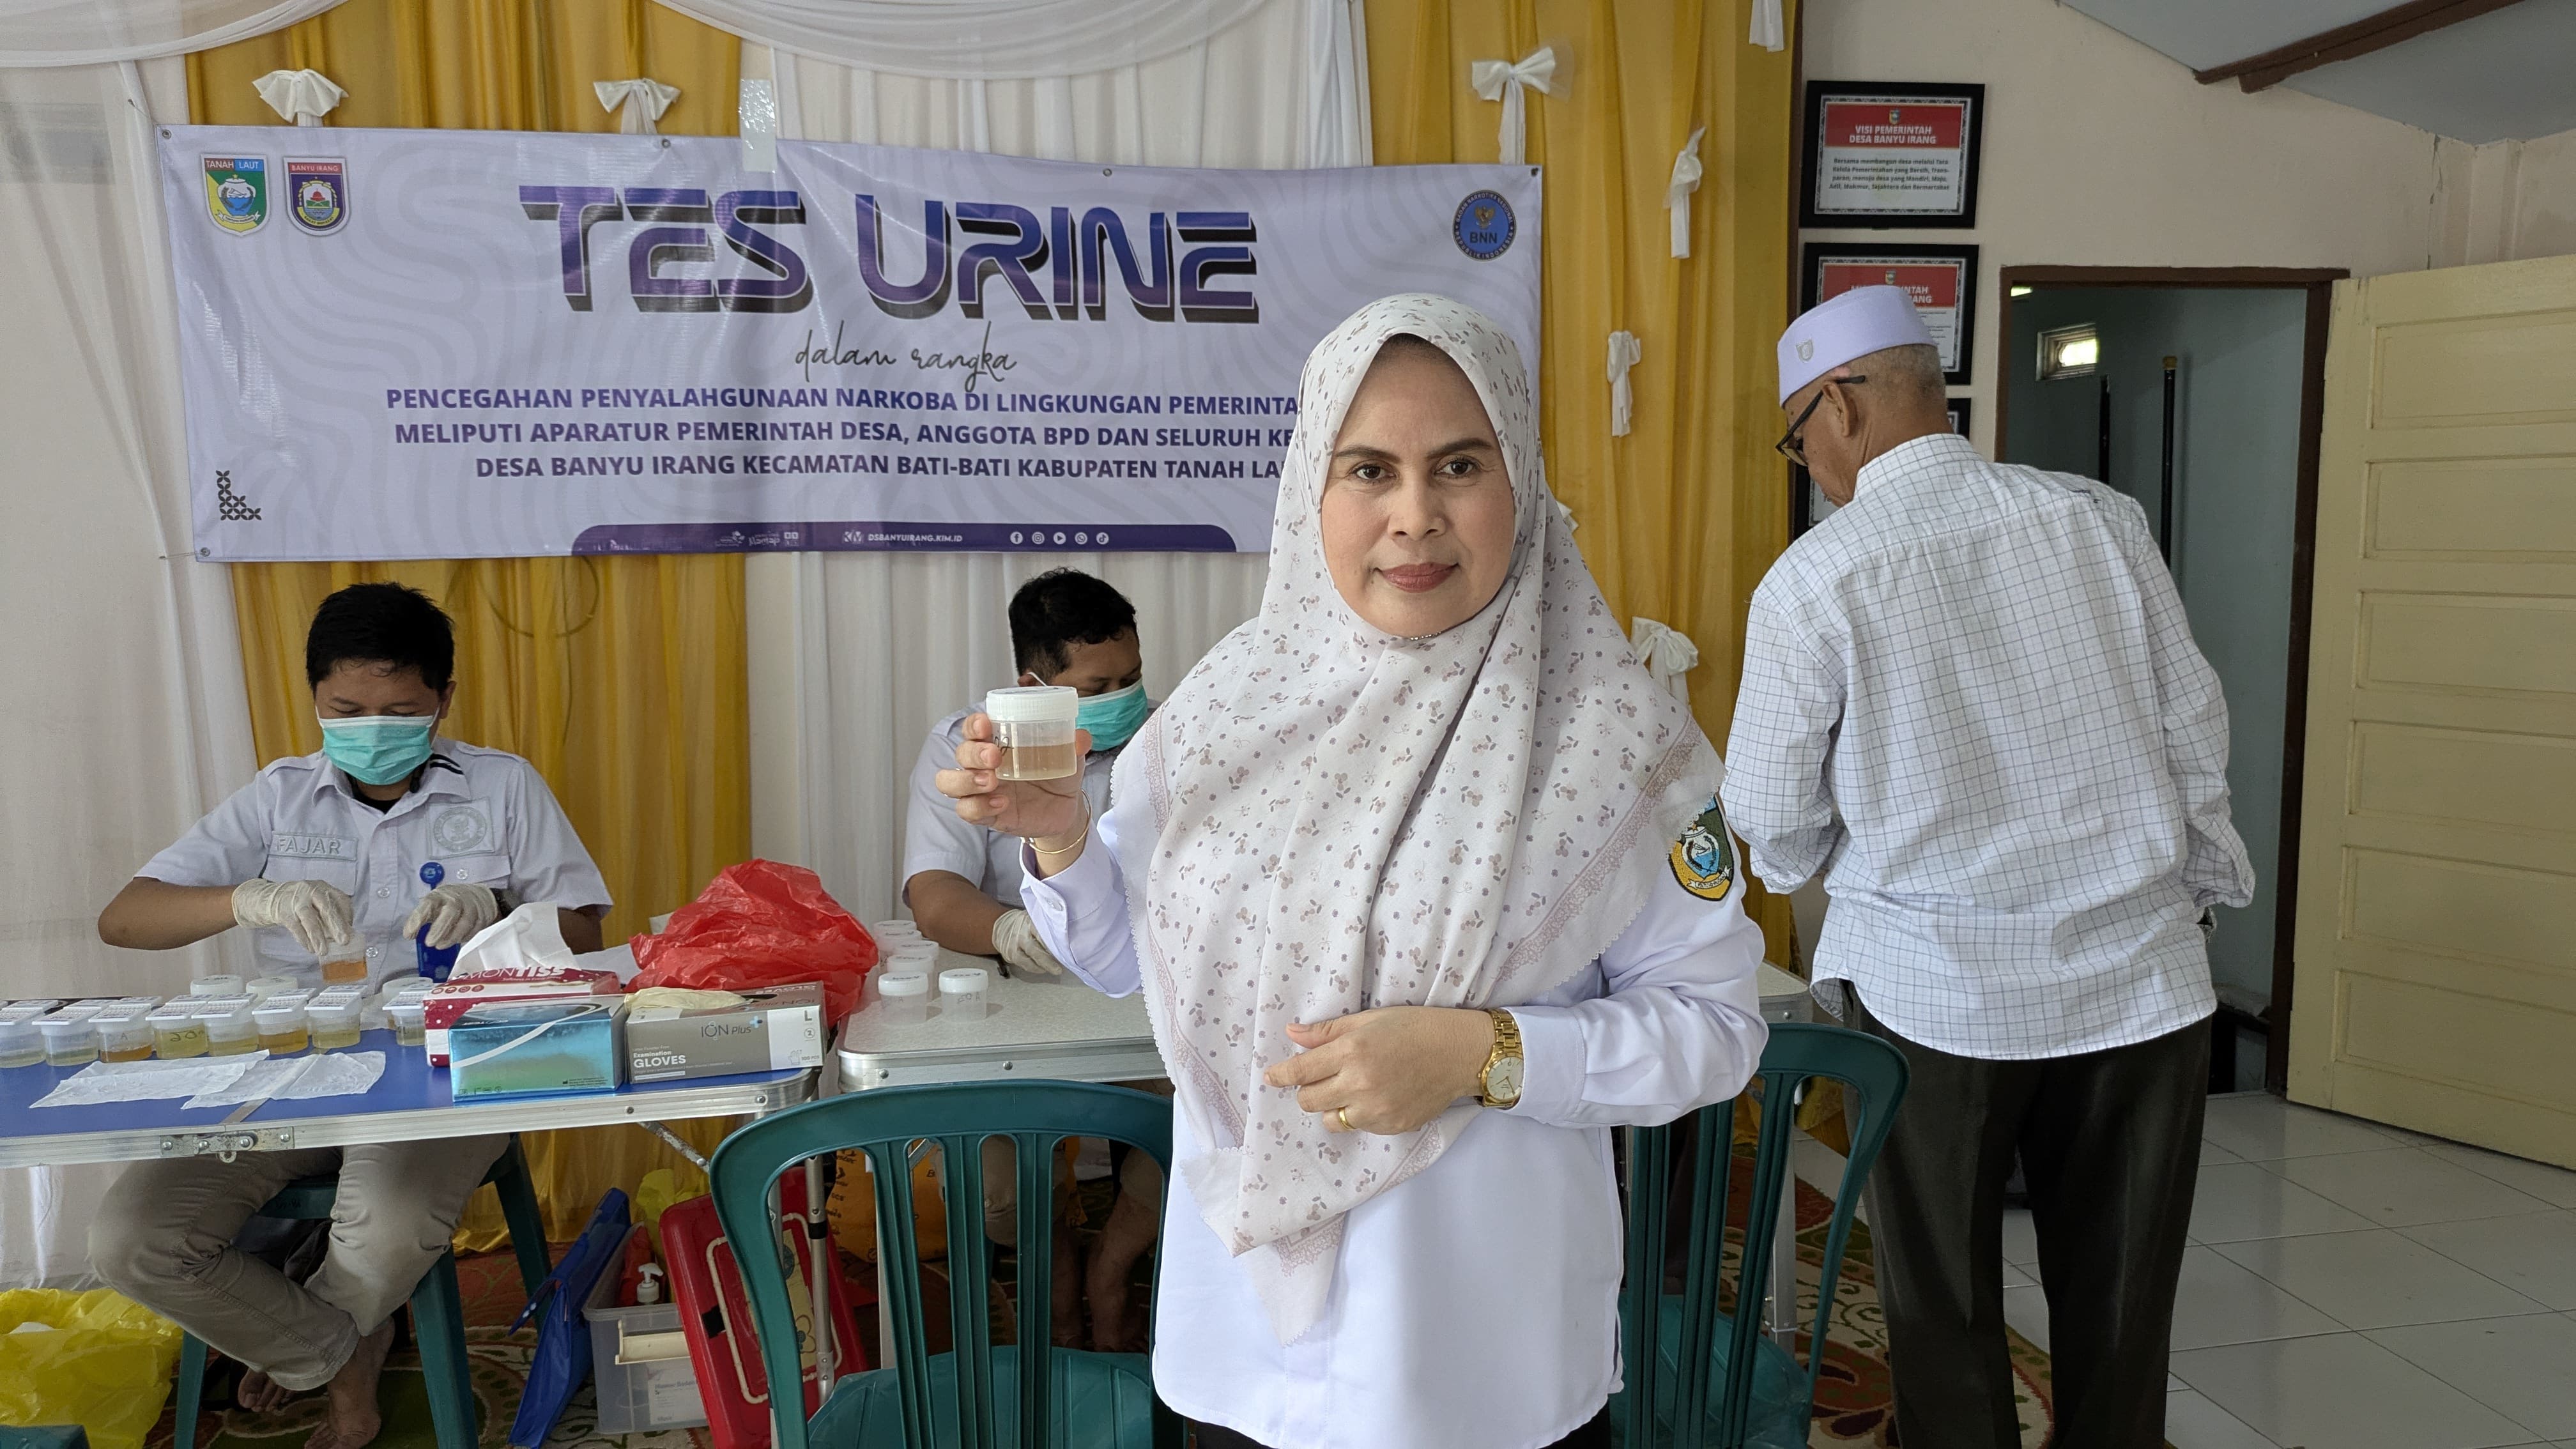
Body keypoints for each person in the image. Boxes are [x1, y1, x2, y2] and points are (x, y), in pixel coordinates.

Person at [936, 295, 1768, 1449]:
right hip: (1241, 1356)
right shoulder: (1225, 715)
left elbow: (1716, 1029)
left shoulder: (1614, 746)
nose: (1414, 516)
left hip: (1475, 1371)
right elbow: (1129, 957)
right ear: (1308, 494)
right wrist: (1063, 839)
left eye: (1460, 465)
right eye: (1369, 469)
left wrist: (1487, 1055)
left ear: (1521, 480)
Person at [1722, 285, 2255, 1449]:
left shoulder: (1815, 578)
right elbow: (2193, 730)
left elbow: (1771, 823)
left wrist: (1854, 846)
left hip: (1939, 997)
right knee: (2122, 1316)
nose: (1810, 465)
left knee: (1944, 1309)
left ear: (1839, 406)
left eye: (1799, 438)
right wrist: (2191, 897)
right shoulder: (2098, 520)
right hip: (2141, 982)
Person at [91, 581, 611, 1449]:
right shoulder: (280, 797)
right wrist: (247, 899)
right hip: (291, 1064)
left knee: (388, 1231)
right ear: (314, 700)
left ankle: (328, 1349)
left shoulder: (502, 787)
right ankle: (343, 1348)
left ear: (443, 698)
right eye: (346, 710)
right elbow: (125, 918)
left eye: (400, 710)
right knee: (132, 1238)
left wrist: (498, 906)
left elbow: (588, 932)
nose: (373, 729)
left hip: (443, 1063)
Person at [901, 566, 1163, 1349]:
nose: (1124, 698)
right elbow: (933, 894)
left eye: (1133, 677)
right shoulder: (969, 748)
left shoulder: (1171, 738)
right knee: (999, 1185)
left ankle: (1113, 1267)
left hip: (1142, 994)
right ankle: (1053, 1265)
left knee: (1213, 1119)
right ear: (1033, 688)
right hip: (1015, 995)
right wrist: (1018, 934)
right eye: (1099, 687)